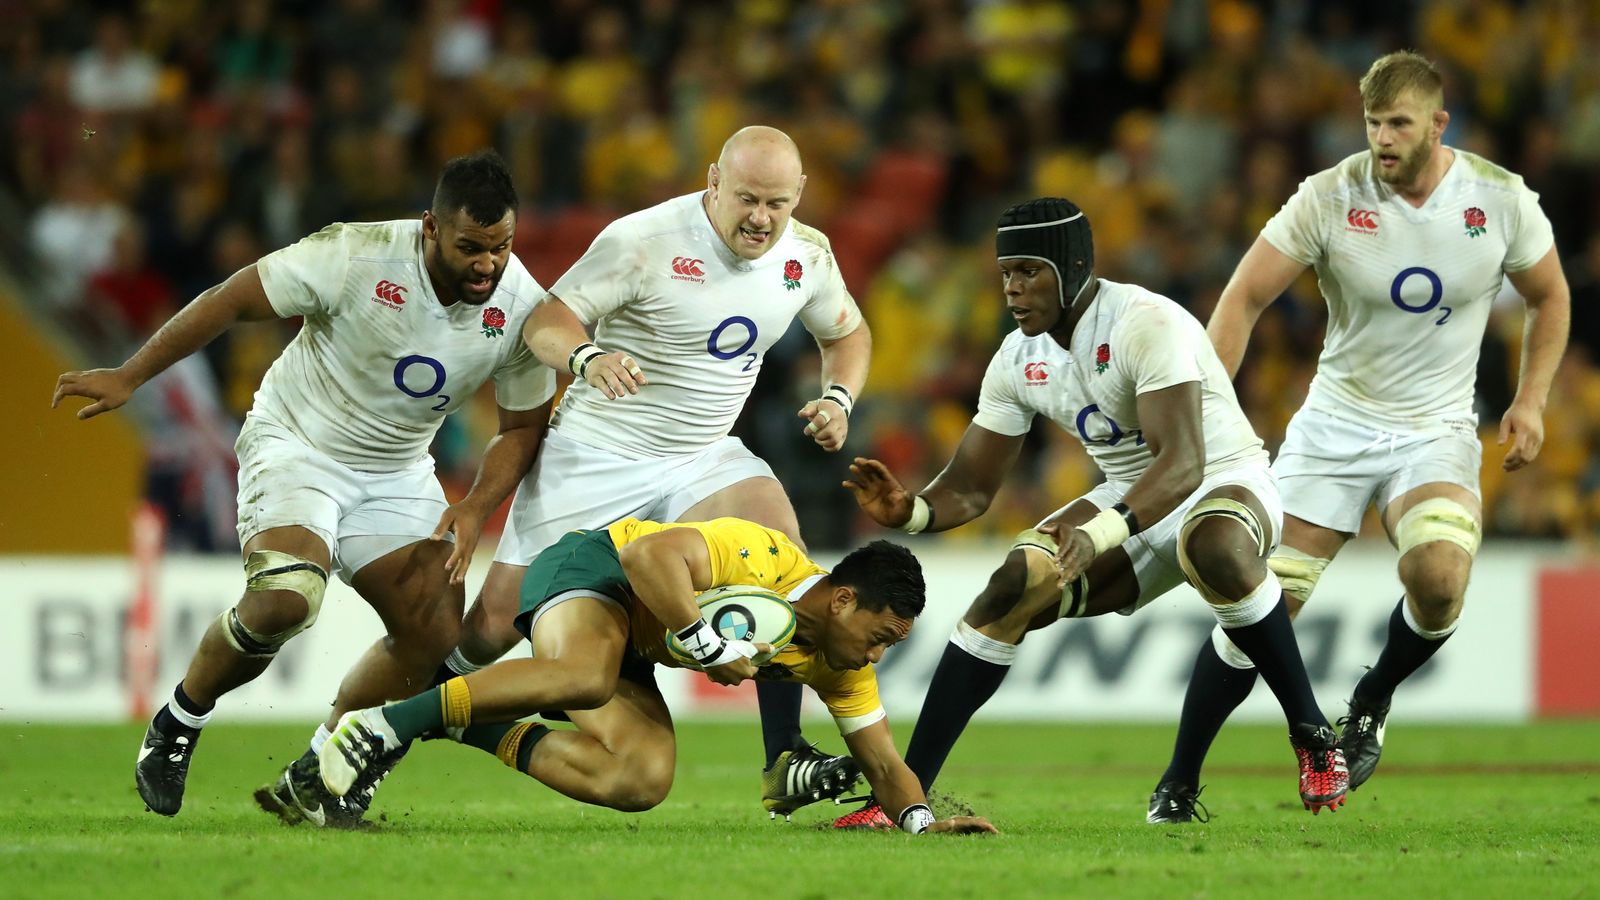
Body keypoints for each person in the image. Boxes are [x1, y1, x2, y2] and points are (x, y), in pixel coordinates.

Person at [52, 150, 556, 819]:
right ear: (430, 227)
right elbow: (233, 298)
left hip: (398, 470)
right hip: (298, 444)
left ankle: (322, 772)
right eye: (470, 247)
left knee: (434, 636)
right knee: (287, 598)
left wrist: (475, 505)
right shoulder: (356, 254)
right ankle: (179, 720)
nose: (488, 265)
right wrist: (130, 374)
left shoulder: (523, 308)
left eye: (501, 247)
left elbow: (522, 427)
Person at [831, 197, 1348, 830]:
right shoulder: (1018, 357)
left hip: (1223, 478)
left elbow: (1183, 462)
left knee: (1211, 544)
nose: (1012, 289)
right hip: (1131, 496)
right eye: (1006, 273)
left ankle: (1312, 734)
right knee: (1007, 591)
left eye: (1029, 271)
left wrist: (1099, 532)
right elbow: (970, 487)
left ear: (1073, 267)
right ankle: (901, 798)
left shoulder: (1144, 322)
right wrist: (911, 510)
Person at [1147, 50, 1570, 822]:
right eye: (1373, 123)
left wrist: (1532, 400)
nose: (1382, 138)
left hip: (1436, 429)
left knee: (1439, 579)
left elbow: (1549, 294)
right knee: (1258, 606)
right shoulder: (1328, 196)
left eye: (1399, 123)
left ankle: (1371, 699)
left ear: (1439, 125)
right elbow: (1243, 297)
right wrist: (1204, 412)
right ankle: (1177, 783)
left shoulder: (1501, 199)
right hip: (1334, 427)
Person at [433, 125, 873, 819]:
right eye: (747, 199)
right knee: (489, 628)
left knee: (780, 555)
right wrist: (586, 358)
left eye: (777, 203)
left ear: (800, 195)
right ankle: (395, 715)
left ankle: (784, 754)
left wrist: (839, 397)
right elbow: (546, 320)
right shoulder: (644, 241)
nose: (761, 218)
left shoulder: (806, 256)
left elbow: (847, 332)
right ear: (714, 182)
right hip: (597, 454)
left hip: (702, 455)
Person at [311, 516, 997, 836]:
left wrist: (919, 823)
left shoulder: (838, 668)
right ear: (843, 600)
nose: (875, 658)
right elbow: (647, 559)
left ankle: (468, 724)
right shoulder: (763, 555)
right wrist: (704, 644)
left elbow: (884, 764)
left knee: (641, 779)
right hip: (595, 569)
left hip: (631, 644)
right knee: (583, 674)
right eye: (879, 639)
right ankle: (381, 725)